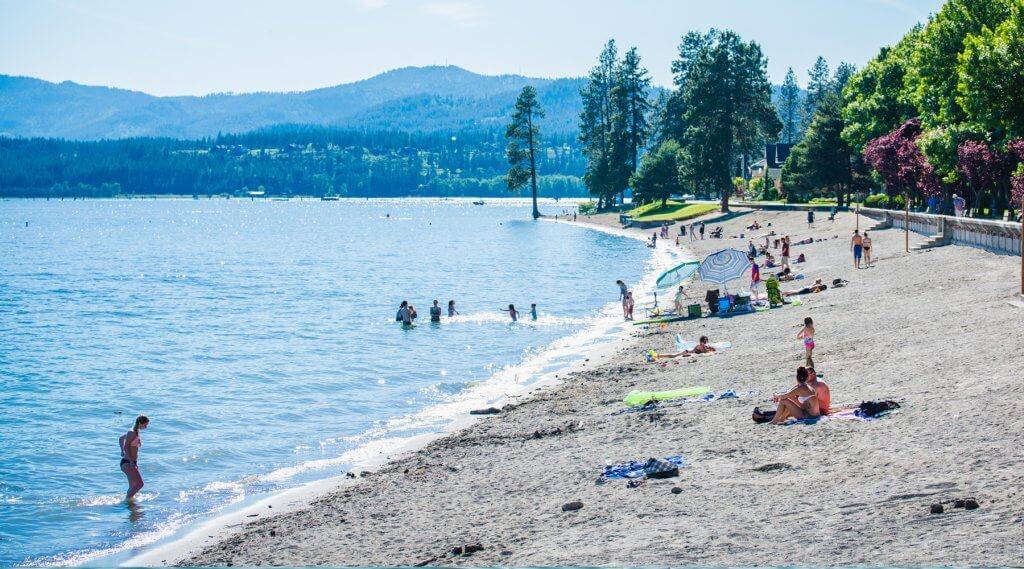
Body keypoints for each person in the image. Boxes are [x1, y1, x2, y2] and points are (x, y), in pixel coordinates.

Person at [119, 415, 150, 501]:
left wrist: (121, 451)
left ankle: (130, 504)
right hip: (128, 462)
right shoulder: (131, 432)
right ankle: (127, 501)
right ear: (140, 423)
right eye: (145, 425)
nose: (146, 427)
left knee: (133, 486)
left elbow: (121, 438)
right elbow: (126, 447)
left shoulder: (136, 432)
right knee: (140, 484)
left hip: (131, 462)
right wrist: (131, 461)